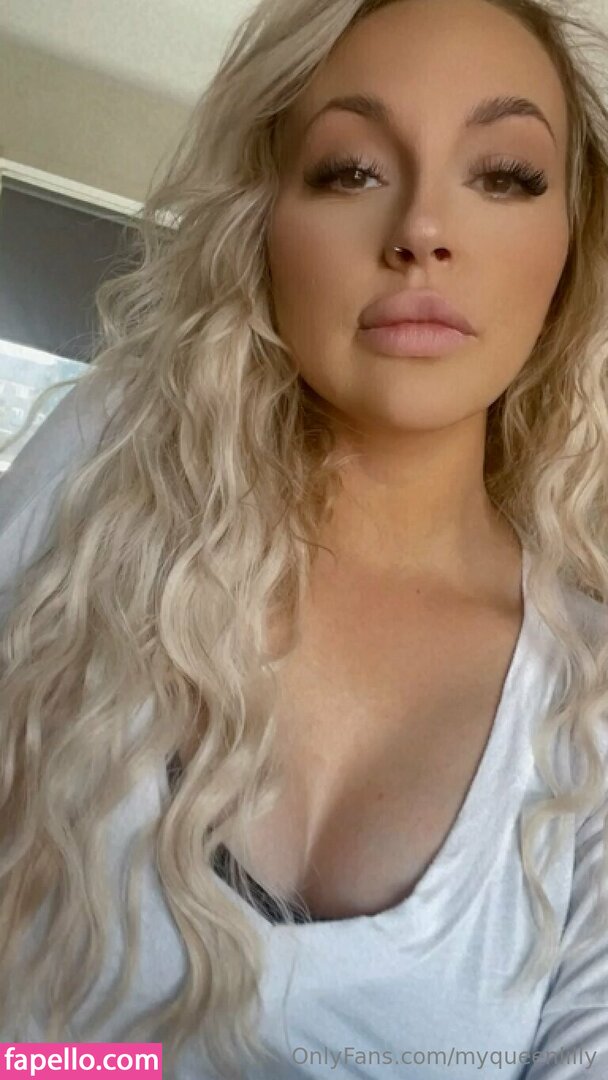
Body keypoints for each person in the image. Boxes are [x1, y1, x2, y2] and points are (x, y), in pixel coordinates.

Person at [1, 0, 608, 1076]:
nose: (422, 230)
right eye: (351, 170)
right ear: (264, 224)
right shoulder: (100, 486)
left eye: (504, 175)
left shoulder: (591, 704)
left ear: (571, 244)